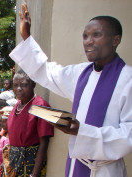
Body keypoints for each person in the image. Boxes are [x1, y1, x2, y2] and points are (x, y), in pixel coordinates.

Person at [10, 3, 132, 177]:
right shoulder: (81, 73)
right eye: (85, 36)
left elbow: (129, 135)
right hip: (76, 164)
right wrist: (27, 37)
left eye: (96, 35)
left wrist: (81, 131)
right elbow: (48, 72)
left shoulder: (128, 79)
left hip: (106, 170)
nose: (88, 41)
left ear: (115, 40)